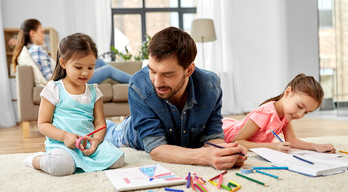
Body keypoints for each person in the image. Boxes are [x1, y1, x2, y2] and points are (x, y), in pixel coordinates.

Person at [105, 26, 247, 170]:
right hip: (130, 134)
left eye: (167, 74)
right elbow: (157, 149)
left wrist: (226, 153)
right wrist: (205, 156)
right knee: (102, 133)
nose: (157, 82)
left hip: (178, 140)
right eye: (152, 71)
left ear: (189, 70)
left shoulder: (210, 86)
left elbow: (212, 137)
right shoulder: (139, 84)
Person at [24, 33, 125, 176]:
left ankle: (82, 161)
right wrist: (65, 136)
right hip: (62, 145)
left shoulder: (94, 91)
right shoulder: (54, 89)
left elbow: (101, 124)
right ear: (63, 63)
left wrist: (96, 141)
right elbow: (43, 124)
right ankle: (36, 160)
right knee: (61, 166)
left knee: (118, 159)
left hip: (88, 143)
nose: (85, 73)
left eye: (90, 68)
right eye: (78, 67)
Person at [222, 73, 336, 153]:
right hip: (224, 131)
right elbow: (238, 142)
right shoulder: (265, 113)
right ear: (287, 92)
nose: (300, 115)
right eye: (300, 106)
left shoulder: (286, 115)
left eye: (306, 112)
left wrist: (316, 147)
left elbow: (292, 140)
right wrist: (271, 147)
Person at [12, 18, 131, 84]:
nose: (44, 36)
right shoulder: (36, 50)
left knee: (98, 61)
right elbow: (51, 78)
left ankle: (136, 79)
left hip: (67, 76)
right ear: (32, 33)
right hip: (67, 79)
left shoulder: (33, 50)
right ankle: (138, 81)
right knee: (108, 70)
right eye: (41, 32)